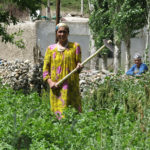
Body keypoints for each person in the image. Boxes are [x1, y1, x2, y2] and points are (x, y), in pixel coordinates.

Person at [43, 23, 82, 119]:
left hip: (71, 87)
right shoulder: (50, 49)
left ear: (68, 33)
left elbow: (78, 66)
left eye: (64, 32)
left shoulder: (75, 47)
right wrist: (50, 82)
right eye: (60, 31)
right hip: (56, 87)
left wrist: (79, 67)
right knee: (58, 116)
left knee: (73, 114)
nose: (62, 34)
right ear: (56, 33)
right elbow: (45, 69)